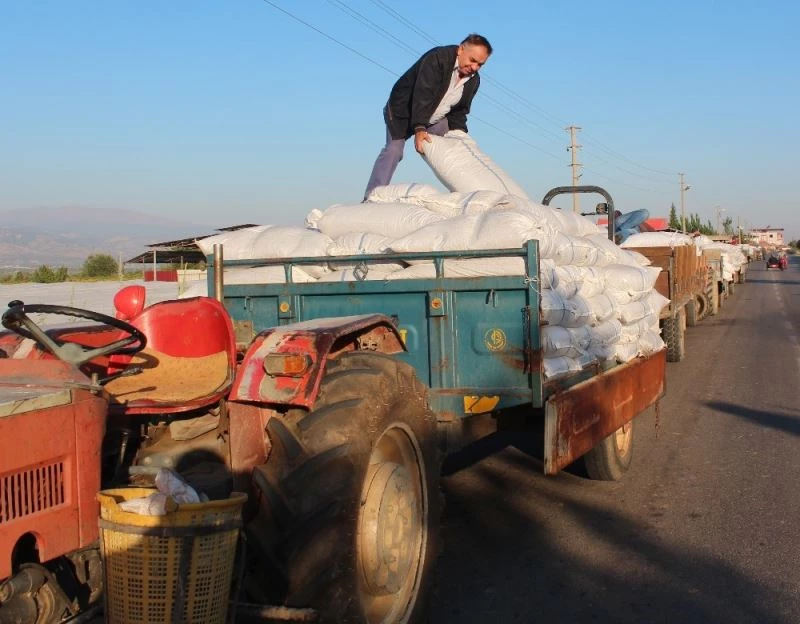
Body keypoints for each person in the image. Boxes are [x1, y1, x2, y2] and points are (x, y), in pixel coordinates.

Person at [363, 34, 493, 200]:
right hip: (402, 111)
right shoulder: (438, 58)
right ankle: (372, 196)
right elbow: (421, 94)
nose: (474, 67)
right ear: (461, 49)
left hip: (432, 119)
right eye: (472, 60)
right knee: (394, 150)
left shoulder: (473, 81)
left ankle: (461, 195)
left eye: (480, 64)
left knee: (451, 144)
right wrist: (419, 128)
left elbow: (460, 111)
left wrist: (460, 136)